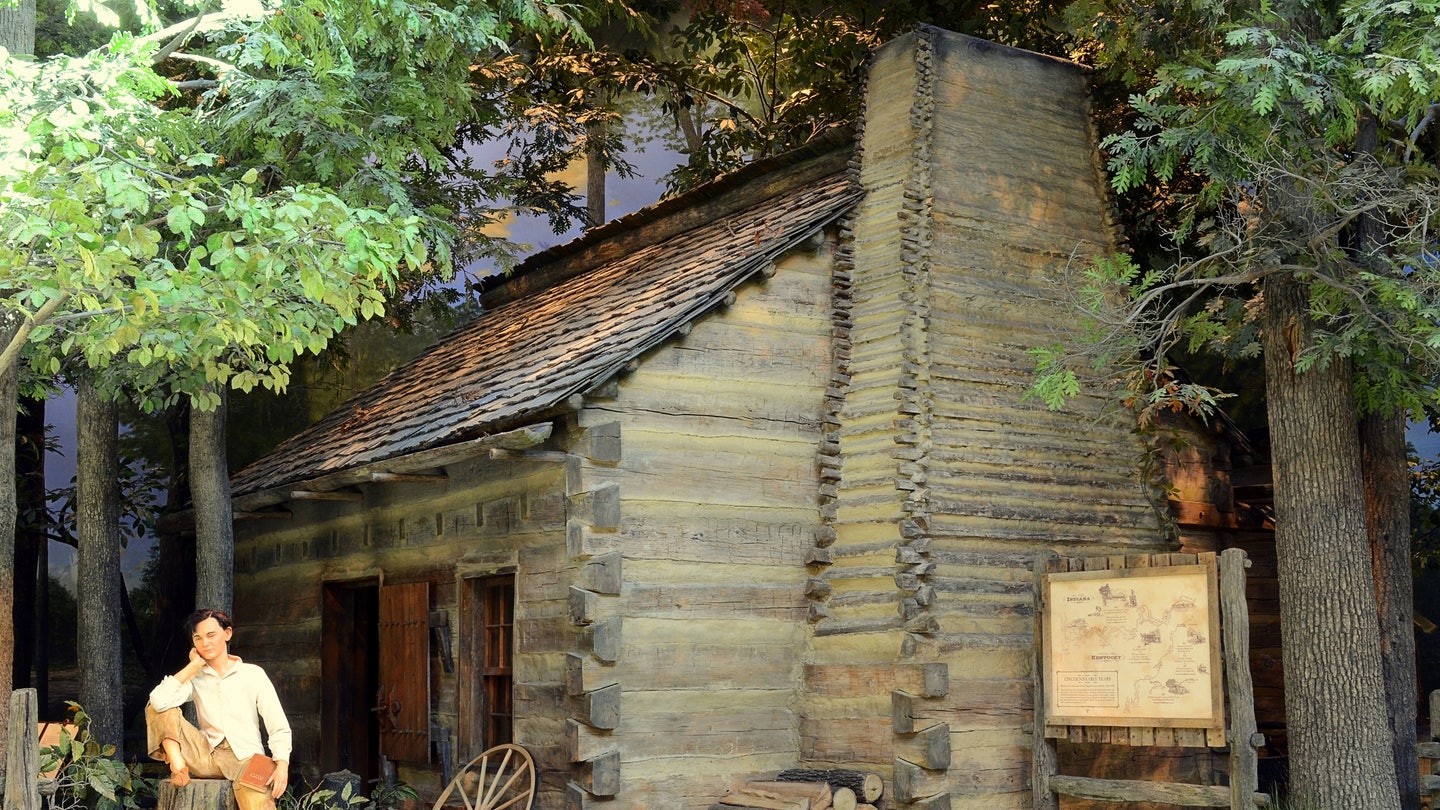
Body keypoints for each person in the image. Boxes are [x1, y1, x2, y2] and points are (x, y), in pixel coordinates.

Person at [146, 609, 292, 810]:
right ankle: (177, 763)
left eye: (211, 635)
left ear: (228, 634)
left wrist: (282, 764)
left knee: (259, 805)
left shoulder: (253, 674)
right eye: (198, 638)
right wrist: (193, 666)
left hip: (246, 759)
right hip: (205, 756)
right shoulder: (196, 678)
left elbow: (279, 726)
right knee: (157, 706)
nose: (205, 643)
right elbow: (158, 701)